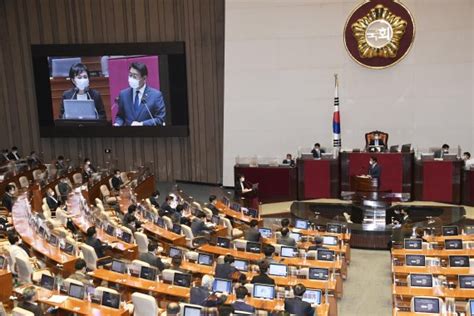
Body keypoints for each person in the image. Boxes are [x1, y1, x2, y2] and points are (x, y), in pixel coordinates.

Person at [114, 62, 166, 126]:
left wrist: (142, 124)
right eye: (130, 75)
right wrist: (117, 123)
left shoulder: (156, 95)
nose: (131, 78)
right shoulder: (123, 94)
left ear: (144, 78)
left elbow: (160, 119)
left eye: (135, 76)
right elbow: (120, 116)